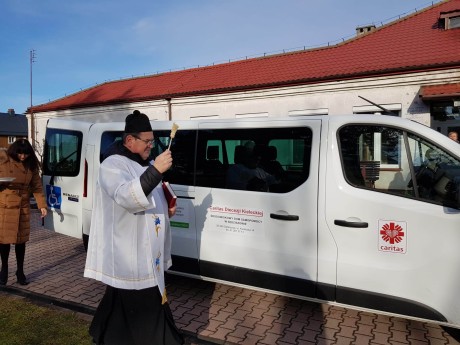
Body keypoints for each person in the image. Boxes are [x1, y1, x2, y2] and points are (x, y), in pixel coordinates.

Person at [84, 110, 184, 345]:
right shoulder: (113, 165)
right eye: (147, 141)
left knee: (123, 301)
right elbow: (127, 196)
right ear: (130, 140)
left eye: (152, 140)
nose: (151, 145)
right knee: (142, 303)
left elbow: (151, 195)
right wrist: (156, 170)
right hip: (129, 250)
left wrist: (166, 205)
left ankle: (107, 335)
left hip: (148, 250)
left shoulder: (145, 163)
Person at [0, 139, 47, 286]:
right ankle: (4, 269)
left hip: (22, 206)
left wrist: (42, 205)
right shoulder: (3, 160)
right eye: (20, 153)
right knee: (3, 240)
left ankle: (20, 271)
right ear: (14, 151)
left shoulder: (31, 165)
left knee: (21, 241)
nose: (22, 157)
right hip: (4, 204)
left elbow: (37, 187)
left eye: (26, 154)